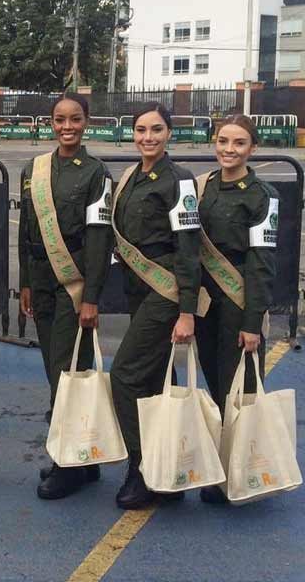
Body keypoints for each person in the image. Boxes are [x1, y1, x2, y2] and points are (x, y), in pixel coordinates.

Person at [109, 103, 208, 509]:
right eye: (140, 130)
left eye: (156, 130)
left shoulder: (179, 181)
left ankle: (141, 466)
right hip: (138, 289)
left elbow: (188, 251)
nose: (147, 137)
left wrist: (186, 310)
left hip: (164, 293)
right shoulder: (131, 176)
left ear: (169, 134)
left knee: (124, 375)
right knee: (148, 383)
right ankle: (162, 472)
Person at [18, 92, 114, 500]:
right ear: (50, 123)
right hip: (40, 281)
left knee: (67, 374)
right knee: (54, 369)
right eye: (60, 119)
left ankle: (69, 464)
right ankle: (83, 459)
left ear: (86, 122)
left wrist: (90, 296)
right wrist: (24, 281)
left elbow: (99, 239)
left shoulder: (96, 173)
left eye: (75, 119)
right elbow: (26, 232)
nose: (67, 127)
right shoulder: (32, 169)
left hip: (73, 284)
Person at [195, 114, 278, 504]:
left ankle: (240, 473)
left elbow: (262, 262)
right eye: (223, 141)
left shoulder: (262, 196)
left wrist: (252, 322)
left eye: (239, 143)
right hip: (205, 301)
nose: (229, 149)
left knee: (239, 389)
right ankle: (219, 466)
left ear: (253, 148)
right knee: (214, 384)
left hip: (238, 300)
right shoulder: (203, 186)